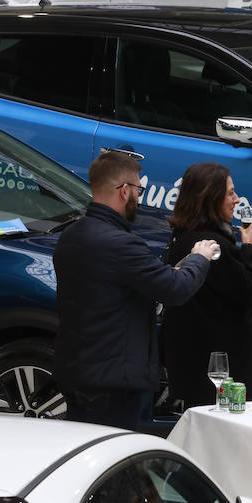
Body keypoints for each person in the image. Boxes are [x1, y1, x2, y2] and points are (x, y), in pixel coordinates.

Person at [54, 150, 216, 430]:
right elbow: (177, 289)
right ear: (124, 191)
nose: (139, 198)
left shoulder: (71, 235)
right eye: (139, 190)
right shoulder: (122, 244)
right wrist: (198, 258)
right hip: (116, 381)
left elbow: (114, 284)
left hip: (77, 372)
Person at [161, 162, 252, 407]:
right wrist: (250, 247)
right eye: (230, 193)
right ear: (210, 198)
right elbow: (246, 293)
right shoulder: (212, 246)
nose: (237, 199)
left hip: (195, 361)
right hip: (218, 371)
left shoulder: (184, 234)